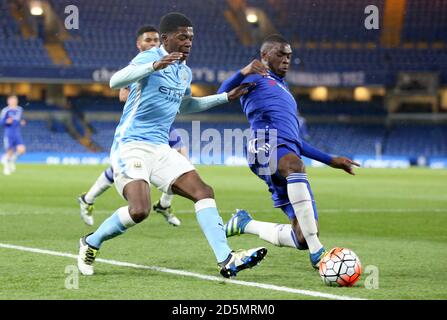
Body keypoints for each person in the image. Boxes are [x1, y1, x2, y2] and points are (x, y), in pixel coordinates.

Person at [77, 12, 267, 278]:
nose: (189, 41)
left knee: (203, 191)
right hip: (131, 144)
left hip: (160, 147)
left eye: (191, 37)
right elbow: (115, 81)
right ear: (165, 39)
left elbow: (187, 105)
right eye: (182, 36)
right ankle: (91, 242)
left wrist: (225, 97)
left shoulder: (184, 72)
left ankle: (226, 259)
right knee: (140, 209)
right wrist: (155, 65)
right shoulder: (149, 57)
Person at [217, 34, 360, 269]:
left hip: (285, 151)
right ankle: (318, 253)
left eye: (289, 56)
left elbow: (296, 142)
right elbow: (221, 94)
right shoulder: (256, 76)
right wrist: (242, 72)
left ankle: (245, 224)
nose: (286, 60)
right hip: (264, 144)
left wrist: (330, 160)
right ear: (264, 56)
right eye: (281, 54)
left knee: (303, 235)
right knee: (294, 165)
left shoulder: (285, 90)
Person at [78, 26, 184, 227]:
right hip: (140, 125)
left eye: (155, 40)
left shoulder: (168, 62)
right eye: (148, 40)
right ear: (139, 44)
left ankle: (164, 203)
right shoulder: (138, 64)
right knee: (124, 168)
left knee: (181, 156)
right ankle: (88, 199)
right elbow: (122, 94)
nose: (152, 44)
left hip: (161, 123)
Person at [1, 95, 26, 175]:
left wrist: (22, 122)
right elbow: (1, 122)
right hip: (9, 134)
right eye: (11, 100)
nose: (13, 101)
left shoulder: (20, 109)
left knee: (22, 150)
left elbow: (22, 119)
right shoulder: (5, 110)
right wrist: (6, 121)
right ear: (8, 101)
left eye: (14, 100)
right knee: (9, 152)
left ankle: (12, 160)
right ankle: (6, 168)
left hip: (17, 133)